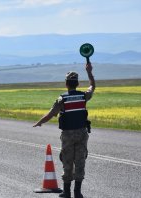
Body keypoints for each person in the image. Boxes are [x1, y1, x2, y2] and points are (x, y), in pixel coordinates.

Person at [33, 62, 95, 198]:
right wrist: (89, 72)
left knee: (67, 161)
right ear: (77, 84)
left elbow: (50, 114)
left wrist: (39, 123)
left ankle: (67, 192)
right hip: (82, 134)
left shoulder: (62, 99)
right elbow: (92, 86)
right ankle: (77, 192)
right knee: (80, 161)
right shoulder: (83, 96)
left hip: (67, 135)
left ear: (66, 84)